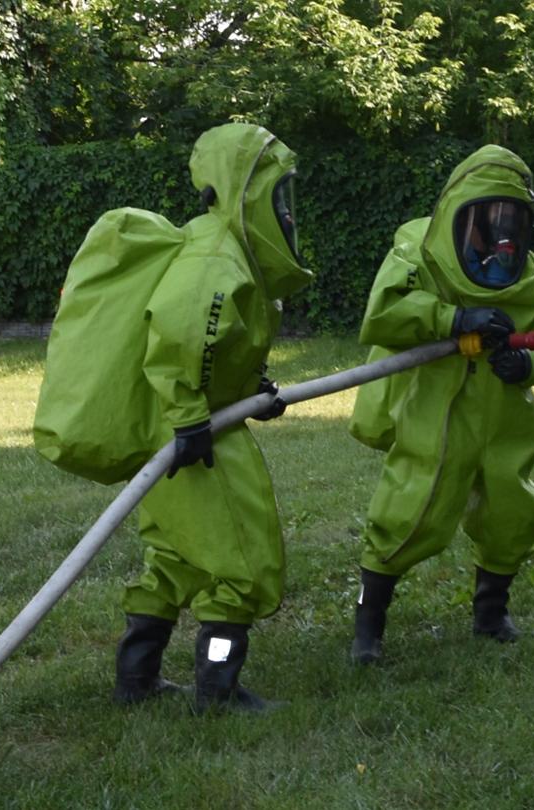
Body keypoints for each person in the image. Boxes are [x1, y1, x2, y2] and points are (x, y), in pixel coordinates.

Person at [110, 123, 314, 712]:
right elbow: (180, 336)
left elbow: (217, 346)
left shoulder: (224, 253)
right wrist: (190, 419)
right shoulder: (216, 259)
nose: (288, 215)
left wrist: (252, 388)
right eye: (278, 197)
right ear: (243, 192)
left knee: (175, 556)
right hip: (197, 431)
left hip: (186, 423)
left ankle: (136, 679)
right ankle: (217, 690)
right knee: (243, 563)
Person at [345, 145, 534, 664]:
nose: (500, 234)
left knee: (512, 511)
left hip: (505, 415)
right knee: (407, 511)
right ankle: (367, 627)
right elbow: (384, 313)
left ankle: (491, 614)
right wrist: (452, 319)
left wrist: (530, 366)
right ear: (458, 212)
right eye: (489, 218)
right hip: (434, 411)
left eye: (511, 219)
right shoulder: (417, 255)